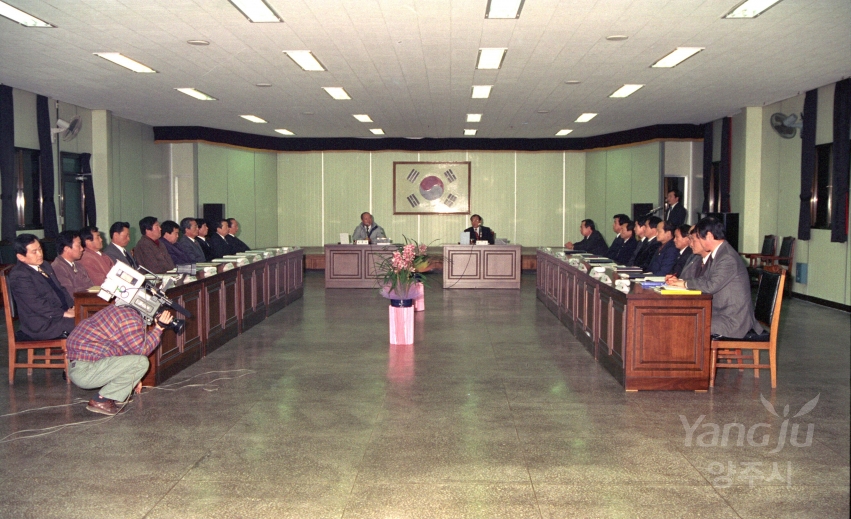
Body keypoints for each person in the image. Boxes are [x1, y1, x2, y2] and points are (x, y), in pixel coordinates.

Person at [66, 303, 174, 415]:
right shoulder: (129, 317)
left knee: (137, 361)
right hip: (85, 371)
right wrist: (159, 328)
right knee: (141, 361)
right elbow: (141, 350)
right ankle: (101, 400)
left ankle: (114, 396)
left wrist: (134, 376)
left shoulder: (120, 311)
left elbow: (125, 348)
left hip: (81, 367)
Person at [666, 217, 763, 338]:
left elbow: (711, 285)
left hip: (732, 320)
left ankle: (690, 357)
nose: (697, 243)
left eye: (699, 238)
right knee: (681, 319)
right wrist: (681, 282)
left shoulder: (727, 257)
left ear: (709, 236)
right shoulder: (718, 254)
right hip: (720, 313)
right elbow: (704, 279)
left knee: (686, 323)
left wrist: (685, 283)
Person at [8, 234, 75, 340]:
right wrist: (63, 313)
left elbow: (60, 289)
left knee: (89, 317)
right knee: (86, 325)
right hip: (42, 323)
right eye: (34, 252)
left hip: (56, 315)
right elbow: (36, 304)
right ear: (21, 257)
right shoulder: (19, 275)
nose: (40, 254)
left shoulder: (44, 265)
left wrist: (73, 306)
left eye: (40, 249)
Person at [51, 230, 94, 296]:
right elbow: (70, 294)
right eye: (78, 245)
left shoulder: (78, 265)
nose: (82, 249)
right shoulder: (58, 267)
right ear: (66, 249)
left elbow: (91, 287)